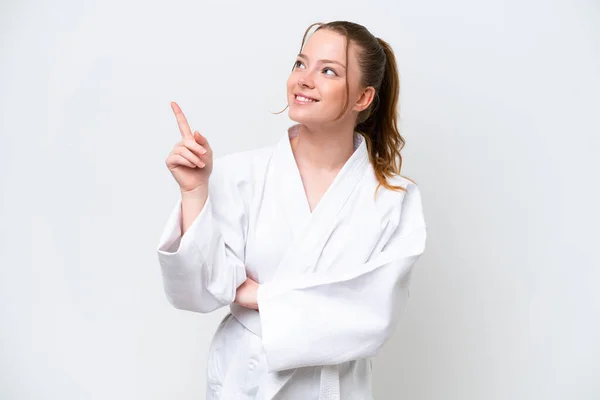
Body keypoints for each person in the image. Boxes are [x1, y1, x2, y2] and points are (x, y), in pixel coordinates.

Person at [157, 20, 427, 400]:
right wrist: (195, 192)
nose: (304, 79)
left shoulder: (393, 198)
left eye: (328, 70)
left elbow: (373, 314)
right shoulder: (240, 174)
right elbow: (199, 293)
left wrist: (258, 297)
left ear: (363, 98)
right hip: (244, 383)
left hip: (333, 389)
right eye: (301, 64)